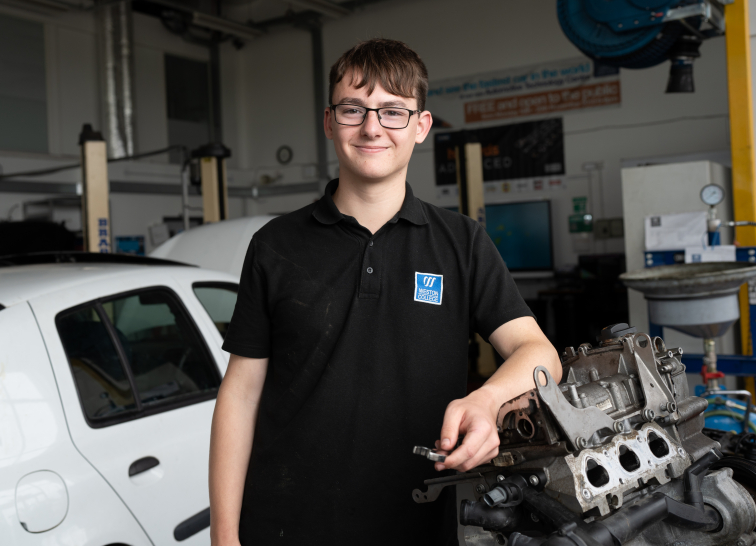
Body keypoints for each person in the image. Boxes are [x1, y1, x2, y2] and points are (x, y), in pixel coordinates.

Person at [209, 38, 562, 546]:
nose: (372, 127)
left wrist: (488, 401)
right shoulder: (275, 245)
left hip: (420, 522)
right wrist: (225, 534)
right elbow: (240, 395)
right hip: (285, 522)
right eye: (354, 109)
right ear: (330, 122)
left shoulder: (461, 242)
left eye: (393, 111)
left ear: (421, 127)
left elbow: (540, 355)